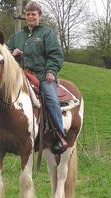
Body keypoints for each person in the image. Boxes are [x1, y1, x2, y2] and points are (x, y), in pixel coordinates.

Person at [7, 1, 68, 155]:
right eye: (28, 14)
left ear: (39, 16)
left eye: (33, 14)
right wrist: (11, 53)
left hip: (42, 76)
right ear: (25, 16)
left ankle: (59, 136)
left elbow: (55, 54)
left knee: (51, 99)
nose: (30, 17)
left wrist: (51, 71)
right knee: (2, 93)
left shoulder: (47, 34)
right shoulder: (17, 36)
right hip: (21, 75)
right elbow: (5, 51)